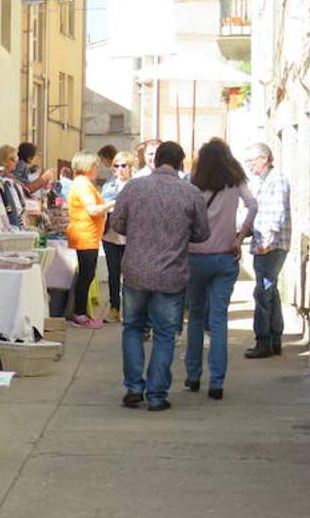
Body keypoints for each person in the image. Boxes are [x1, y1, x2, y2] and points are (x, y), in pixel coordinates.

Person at [109, 142, 210, 411]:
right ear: (180, 164)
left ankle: (133, 387)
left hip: (135, 272)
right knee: (165, 334)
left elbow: (117, 224)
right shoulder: (191, 193)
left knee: (132, 327)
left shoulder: (133, 187)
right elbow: (202, 234)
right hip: (171, 274)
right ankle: (156, 394)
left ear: (155, 161)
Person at [184, 139, 257, 398]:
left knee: (194, 318)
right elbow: (253, 205)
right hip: (225, 257)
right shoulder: (236, 182)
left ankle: (193, 375)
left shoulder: (194, 184)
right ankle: (217, 382)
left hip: (195, 257)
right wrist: (239, 237)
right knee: (218, 320)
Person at [244, 143, 291, 359]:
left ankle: (264, 340)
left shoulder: (277, 179)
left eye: (252, 160)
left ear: (263, 159)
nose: (249, 165)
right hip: (265, 243)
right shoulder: (263, 180)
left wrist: (267, 241)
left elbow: (277, 213)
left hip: (270, 245)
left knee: (262, 291)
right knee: (269, 290)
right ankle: (274, 339)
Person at [66, 152, 115, 328]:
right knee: (86, 275)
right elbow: (93, 210)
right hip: (85, 234)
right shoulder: (82, 185)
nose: (98, 168)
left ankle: (81, 312)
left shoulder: (82, 183)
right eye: (95, 165)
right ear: (88, 166)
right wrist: (113, 203)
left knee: (87, 274)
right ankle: (79, 313)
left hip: (88, 234)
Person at [100, 151, 135, 323]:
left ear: (130, 167)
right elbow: (103, 206)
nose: (120, 169)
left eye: (124, 165)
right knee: (113, 273)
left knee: (130, 274)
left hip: (131, 236)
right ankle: (114, 308)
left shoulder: (136, 186)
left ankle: (130, 310)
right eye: (116, 165)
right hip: (111, 235)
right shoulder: (108, 186)